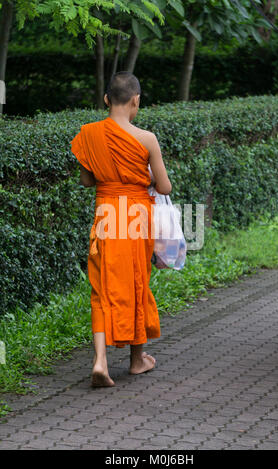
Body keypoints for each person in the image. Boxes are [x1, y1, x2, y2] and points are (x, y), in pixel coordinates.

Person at [70, 71, 172, 387]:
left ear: (106, 99)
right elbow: (165, 187)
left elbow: (88, 181)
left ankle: (100, 361)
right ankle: (137, 359)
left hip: (106, 214)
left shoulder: (88, 134)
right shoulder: (147, 139)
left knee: (101, 286)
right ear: (135, 101)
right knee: (137, 281)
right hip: (137, 217)